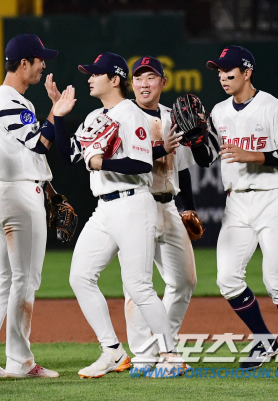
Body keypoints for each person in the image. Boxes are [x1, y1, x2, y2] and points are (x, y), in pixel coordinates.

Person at [52, 52, 187, 379]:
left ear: (114, 79)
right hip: (105, 208)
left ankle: (171, 355)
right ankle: (112, 351)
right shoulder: (95, 115)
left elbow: (141, 164)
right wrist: (57, 117)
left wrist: (100, 162)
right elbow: (68, 153)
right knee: (80, 276)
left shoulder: (131, 115)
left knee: (139, 285)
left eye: (95, 74)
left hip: (133, 204)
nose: (88, 78)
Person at [205, 45, 278, 371]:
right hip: (236, 201)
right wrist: (197, 143)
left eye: (229, 71)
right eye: (219, 71)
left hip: (272, 197)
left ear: (247, 72)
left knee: (276, 279)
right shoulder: (219, 111)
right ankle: (264, 341)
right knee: (227, 279)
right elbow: (207, 154)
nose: (223, 77)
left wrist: (256, 157)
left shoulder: (272, 107)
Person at [0, 33, 62, 379]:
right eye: (40, 60)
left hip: (9, 193)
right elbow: (40, 143)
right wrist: (57, 110)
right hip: (18, 198)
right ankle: (21, 362)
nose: (44, 65)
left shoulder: (10, 100)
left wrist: (51, 191)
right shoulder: (11, 100)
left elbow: (28, 155)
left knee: (6, 279)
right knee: (25, 281)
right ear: (24, 63)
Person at [123, 56, 198, 373]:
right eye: (138, 78)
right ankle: (144, 356)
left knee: (185, 280)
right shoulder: (121, 116)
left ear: (163, 82)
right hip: (135, 205)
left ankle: (166, 344)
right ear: (131, 84)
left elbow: (184, 170)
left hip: (168, 205)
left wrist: (188, 207)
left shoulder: (174, 117)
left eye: (150, 77)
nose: (143, 83)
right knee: (137, 285)